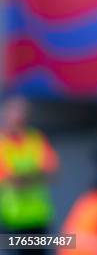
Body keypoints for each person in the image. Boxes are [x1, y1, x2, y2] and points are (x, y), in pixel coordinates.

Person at [0, 95, 58, 255]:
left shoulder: (36, 139)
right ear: (6, 113)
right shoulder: (2, 144)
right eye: (15, 111)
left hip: (39, 218)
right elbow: (10, 181)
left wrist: (22, 178)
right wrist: (36, 176)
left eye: (22, 111)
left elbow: (52, 173)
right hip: (11, 220)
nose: (19, 116)